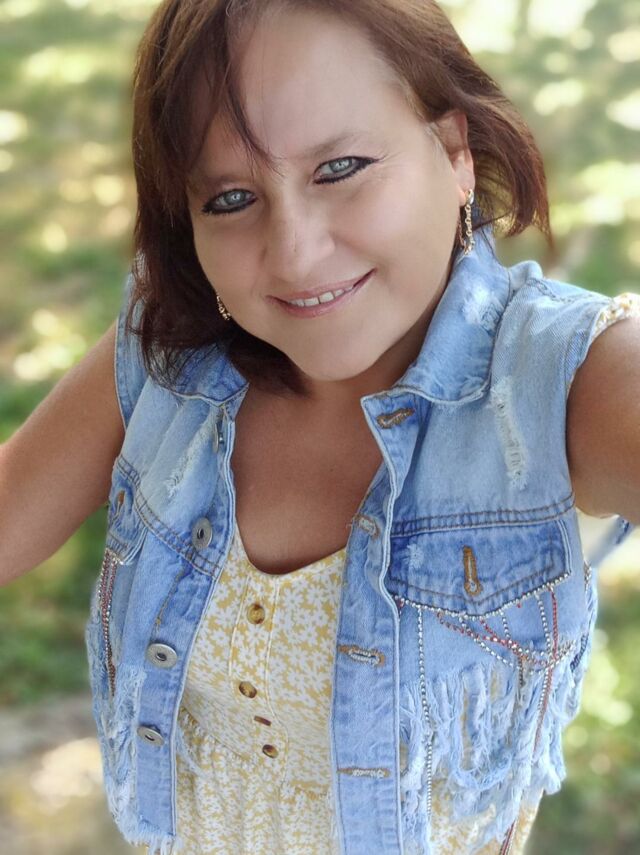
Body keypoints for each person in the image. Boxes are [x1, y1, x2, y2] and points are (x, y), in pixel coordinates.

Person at [1, 0, 639, 853]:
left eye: (340, 167)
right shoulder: (167, 356)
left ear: (454, 151)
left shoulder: (559, 379)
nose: (296, 253)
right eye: (231, 198)